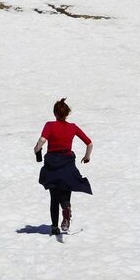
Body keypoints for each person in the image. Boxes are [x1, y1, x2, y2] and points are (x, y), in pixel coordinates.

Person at [33, 98, 92, 238]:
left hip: (53, 163)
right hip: (67, 163)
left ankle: (54, 227)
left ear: (55, 113)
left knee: (54, 196)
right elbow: (89, 143)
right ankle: (66, 208)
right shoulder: (73, 127)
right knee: (65, 190)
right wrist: (87, 157)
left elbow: (42, 140)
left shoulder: (50, 125)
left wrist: (36, 149)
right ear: (67, 113)